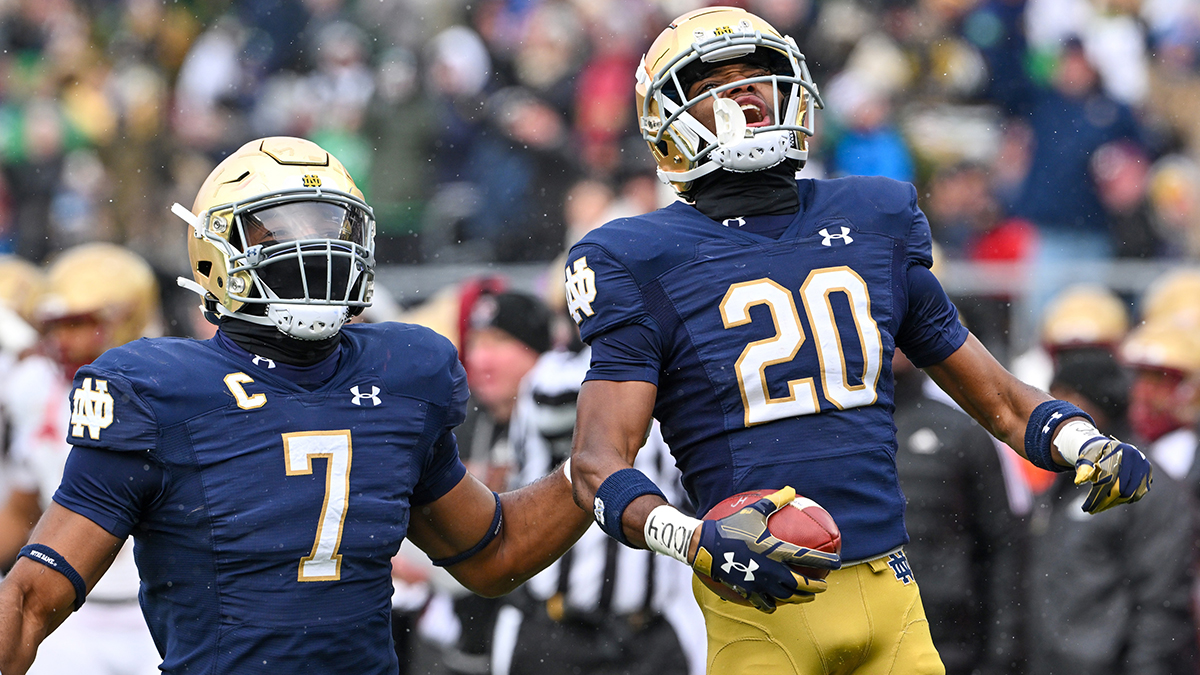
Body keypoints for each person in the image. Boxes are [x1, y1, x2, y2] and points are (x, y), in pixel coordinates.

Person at [563, 8, 1153, 675]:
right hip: (759, 612)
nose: (746, 91)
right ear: (668, 118)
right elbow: (596, 464)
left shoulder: (873, 216)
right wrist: (696, 539)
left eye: (757, 74)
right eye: (717, 82)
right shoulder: (638, 256)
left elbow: (999, 400)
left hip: (891, 597)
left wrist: (1083, 441)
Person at [0, 136, 593, 675]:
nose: (315, 249)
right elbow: (30, 601)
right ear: (216, 252)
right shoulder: (157, 389)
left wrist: (590, 467)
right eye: (277, 233)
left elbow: (493, 553)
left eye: (329, 227)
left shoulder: (403, 370)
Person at [495, 343, 706, 675]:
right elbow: (559, 411)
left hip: (650, 634)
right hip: (562, 636)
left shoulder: (680, 377)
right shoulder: (556, 372)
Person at [0, 244, 163, 674]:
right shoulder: (33, 387)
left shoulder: (168, 388)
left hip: (160, 610)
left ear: (125, 317)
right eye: (55, 326)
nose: (63, 340)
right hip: (68, 613)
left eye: (79, 323)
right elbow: (24, 505)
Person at [1027, 347, 1196, 675]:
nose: (1055, 418)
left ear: (1098, 405)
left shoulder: (1145, 486)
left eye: (1068, 401)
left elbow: (1162, 603)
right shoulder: (1063, 480)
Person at [892, 350, 1024, 675]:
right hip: (854, 640)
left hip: (949, 643)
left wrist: (1002, 652)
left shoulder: (960, 432)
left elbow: (1003, 545)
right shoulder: (832, 435)